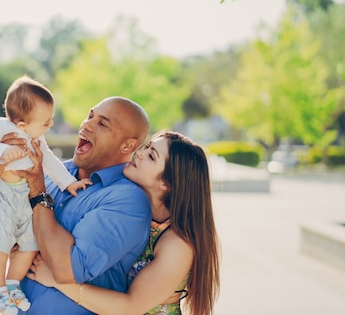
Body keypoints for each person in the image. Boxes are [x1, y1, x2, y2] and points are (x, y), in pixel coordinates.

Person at [0, 96, 151, 315]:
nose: (87, 124)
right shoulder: (52, 174)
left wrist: (37, 190)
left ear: (128, 145)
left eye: (102, 123)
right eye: (90, 115)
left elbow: (67, 270)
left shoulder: (127, 199)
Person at [27, 130, 221, 315]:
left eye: (152, 156)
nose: (140, 154)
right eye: (146, 147)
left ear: (166, 184)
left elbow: (131, 306)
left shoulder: (176, 244)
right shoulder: (124, 208)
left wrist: (57, 281)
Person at [0, 75, 91, 315]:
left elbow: (49, 161)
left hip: (25, 196)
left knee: (30, 243)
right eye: (45, 122)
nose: (50, 126)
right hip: (3, 196)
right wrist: (3, 152)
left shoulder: (37, 137)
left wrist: (69, 182)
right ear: (21, 125)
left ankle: (13, 283)